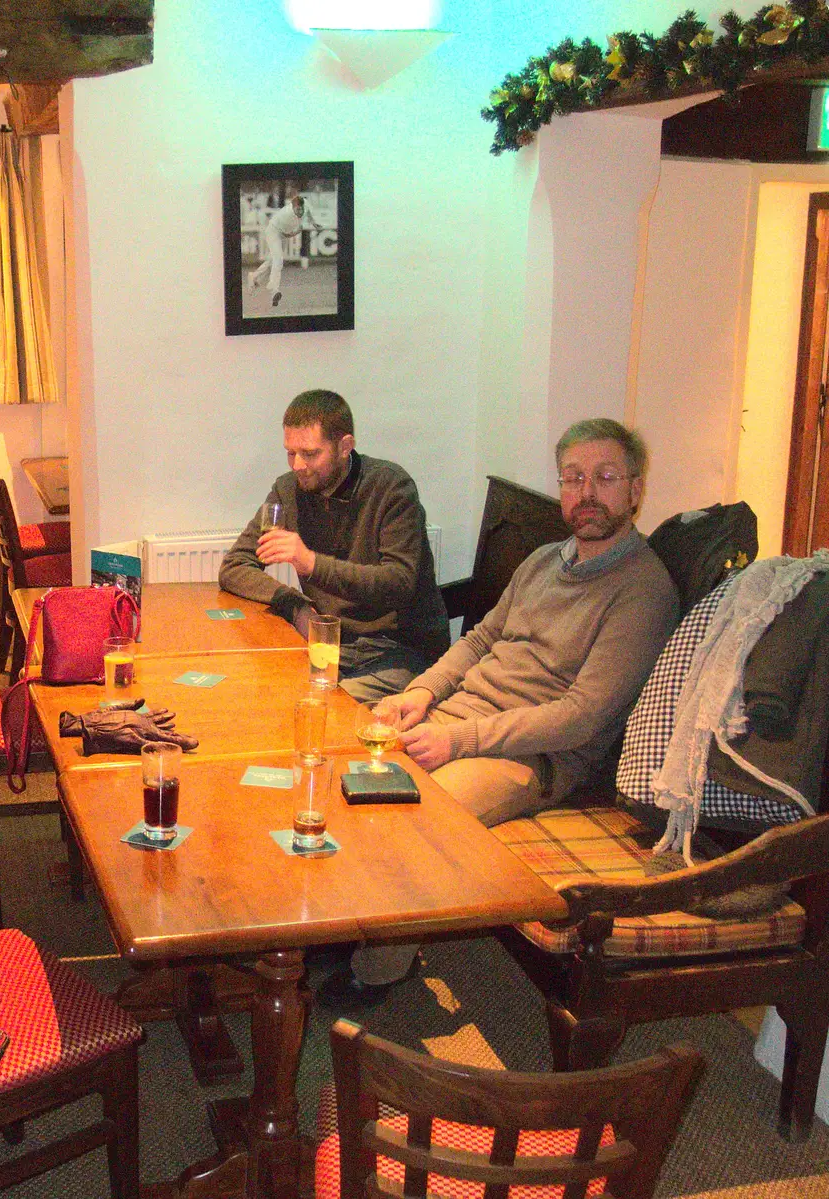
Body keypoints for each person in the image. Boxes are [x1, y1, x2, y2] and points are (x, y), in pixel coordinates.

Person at [320, 417, 680, 1009]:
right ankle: (344, 922)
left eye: (605, 477)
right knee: (340, 770)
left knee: (423, 817)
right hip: (461, 717)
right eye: (574, 478)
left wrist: (459, 740)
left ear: (635, 490)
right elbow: (482, 638)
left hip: (533, 754)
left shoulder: (643, 589)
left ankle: (381, 967)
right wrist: (424, 693)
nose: (587, 493)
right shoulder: (544, 561)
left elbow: (582, 716)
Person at [219, 390, 449, 703]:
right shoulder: (289, 489)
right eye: (290, 453)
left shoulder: (391, 487)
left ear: (345, 447)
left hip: (397, 650)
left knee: (316, 709)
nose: (297, 465)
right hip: (329, 645)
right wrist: (296, 606)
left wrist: (311, 563)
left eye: (310, 454)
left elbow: (399, 582)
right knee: (257, 691)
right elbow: (235, 566)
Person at [247, 187, 323, 308]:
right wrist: (297, 231)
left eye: (301, 209)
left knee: (272, 260)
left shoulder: (305, 203)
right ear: (292, 208)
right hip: (274, 231)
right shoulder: (287, 216)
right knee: (278, 260)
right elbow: (288, 234)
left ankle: (254, 276)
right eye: (297, 210)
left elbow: (308, 213)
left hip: (284, 232)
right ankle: (274, 290)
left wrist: (314, 223)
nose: (300, 212)